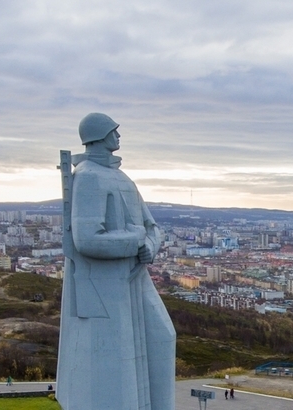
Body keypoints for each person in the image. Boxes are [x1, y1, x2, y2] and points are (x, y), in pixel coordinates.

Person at [56, 113, 176, 410]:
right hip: (104, 283)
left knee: (163, 335)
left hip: (134, 276)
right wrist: (136, 242)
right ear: (99, 135)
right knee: (115, 363)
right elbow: (86, 239)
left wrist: (149, 244)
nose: (119, 137)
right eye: (114, 131)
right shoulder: (88, 176)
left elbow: (153, 227)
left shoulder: (122, 178)